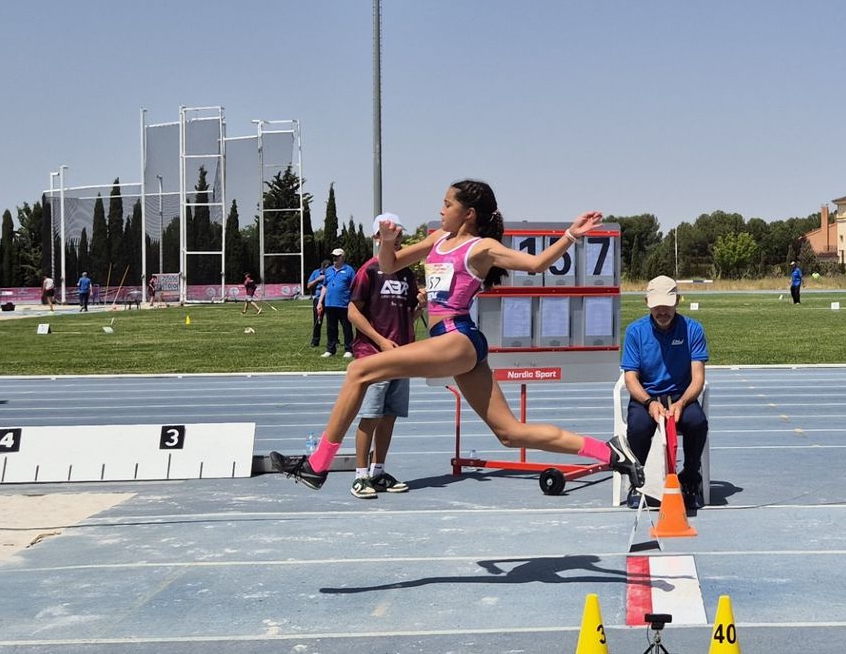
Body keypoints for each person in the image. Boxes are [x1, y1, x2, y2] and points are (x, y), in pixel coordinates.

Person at [269, 179, 643, 492]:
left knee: (358, 372)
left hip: (456, 336)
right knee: (510, 434)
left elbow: (535, 264)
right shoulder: (439, 238)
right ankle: (610, 452)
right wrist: (386, 240)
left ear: (469, 214)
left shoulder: (481, 247)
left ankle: (317, 465)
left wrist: (570, 236)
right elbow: (390, 264)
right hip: (461, 345)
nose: (441, 208)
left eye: (447, 204)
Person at [344, 214, 421, 498]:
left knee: (389, 416)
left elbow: (408, 314)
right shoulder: (369, 270)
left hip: (401, 354)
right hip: (373, 354)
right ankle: (360, 475)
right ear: (377, 238)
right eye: (389, 233)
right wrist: (379, 340)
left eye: (399, 233)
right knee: (370, 415)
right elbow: (353, 311)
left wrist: (419, 308)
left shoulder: (406, 272)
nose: (397, 239)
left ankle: (378, 471)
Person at [620, 275, 710, 512]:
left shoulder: (693, 329)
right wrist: (649, 402)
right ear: (647, 302)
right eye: (656, 305)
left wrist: (681, 403)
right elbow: (630, 377)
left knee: (697, 422)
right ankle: (638, 484)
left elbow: (698, 377)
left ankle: (690, 480)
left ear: (677, 301)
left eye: (667, 305)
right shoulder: (635, 332)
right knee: (638, 426)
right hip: (646, 396)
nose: (662, 311)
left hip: (681, 395)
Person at [317, 249, 355, 357]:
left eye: (337, 256)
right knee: (331, 328)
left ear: (342, 257)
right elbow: (325, 286)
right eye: (333, 256)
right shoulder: (328, 270)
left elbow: (354, 286)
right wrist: (320, 302)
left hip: (344, 303)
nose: (334, 258)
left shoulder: (349, 270)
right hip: (330, 303)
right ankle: (330, 349)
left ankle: (349, 349)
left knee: (346, 328)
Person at [305, 259, 329, 348]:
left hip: (330, 299)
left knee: (331, 321)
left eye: (326, 268)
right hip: (318, 298)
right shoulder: (315, 272)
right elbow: (308, 285)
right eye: (323, 268)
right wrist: (318, 279)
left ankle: (334, 340)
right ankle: (315, 340)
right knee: (317, 320)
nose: (324, 271)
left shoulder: (332, 272)